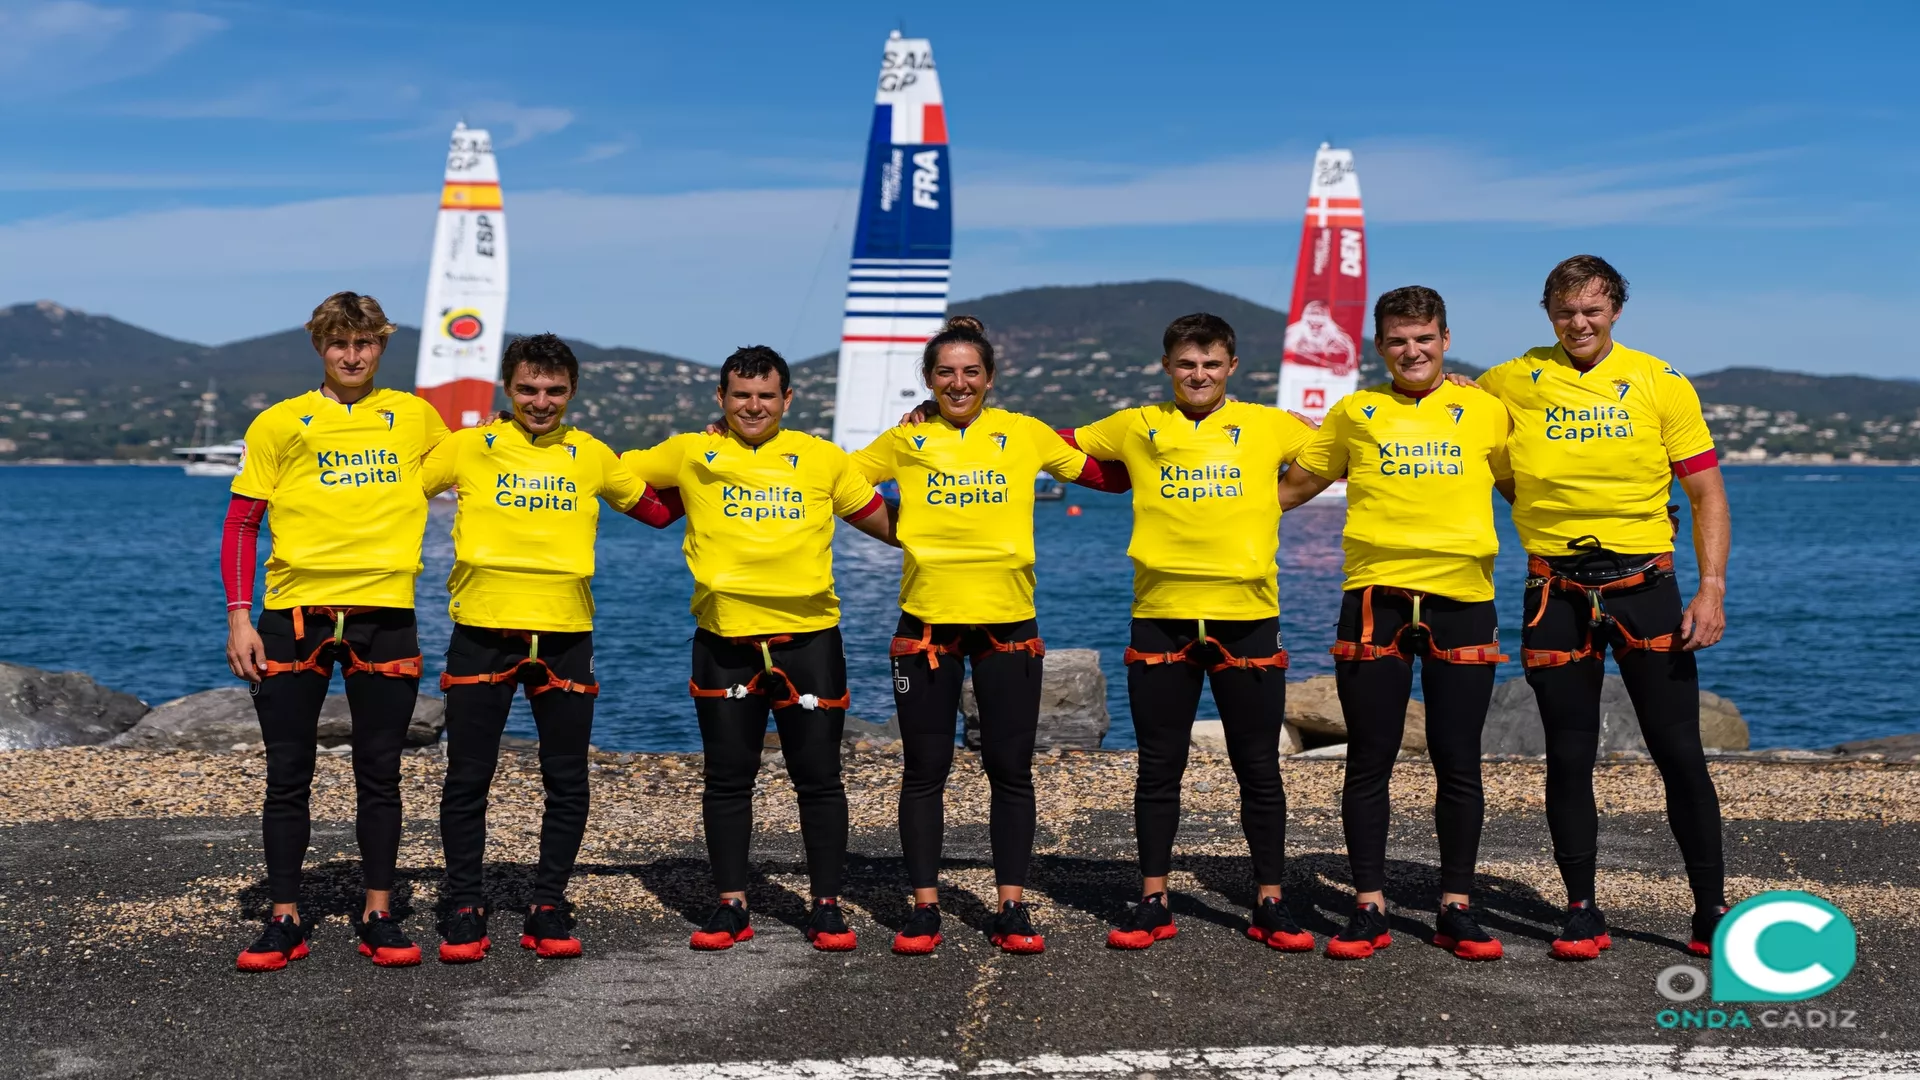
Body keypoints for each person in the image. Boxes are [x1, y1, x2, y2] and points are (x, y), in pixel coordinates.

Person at [1475, 255, 1731, 959]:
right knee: (1568, 756)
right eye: (1565, 311)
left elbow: (1706, 494)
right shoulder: (1509, 381)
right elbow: (1477, 440)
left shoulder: (1660, 381)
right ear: (1547, 312)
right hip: (1554, 590)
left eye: (1591, 310)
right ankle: (1582, 910)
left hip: (1647, 589)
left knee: (1679, 753)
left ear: (1615, 309)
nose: (1578, 323)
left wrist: (1711, 591)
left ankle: (1710, 909)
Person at [853, 315, 1122, 956]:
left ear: (990, 378)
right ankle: (924, 909)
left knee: (1010, 770)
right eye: (945, 372)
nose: (958, 382)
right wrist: (896, 530)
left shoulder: (1024, 434)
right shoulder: (904, 440)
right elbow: (834, 483)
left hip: (1008, 622)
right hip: (926, 623)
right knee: (925, 770)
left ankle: (1011, 906)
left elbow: (1107, 473)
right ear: (928, 379)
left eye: (971, 371)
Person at [623, 346, 898, 952]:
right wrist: (501, 435)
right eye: (742, 395)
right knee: (727, 779)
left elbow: (887, 524)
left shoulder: (821, 459)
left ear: (787, 400)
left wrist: (973, 509)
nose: (754, 406)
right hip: (724, 640)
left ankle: (825, 906)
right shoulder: (690, 451)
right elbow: (606, 474)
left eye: (766, 395)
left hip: (811, 640)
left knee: (820, 779)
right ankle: (731, 907)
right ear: (720, 399)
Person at [422, 334, 683, 963]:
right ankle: (463, 901)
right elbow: (392, 493)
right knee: (467, 777)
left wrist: (715, 459)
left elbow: (655, 512)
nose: (541, 401)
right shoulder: (469, 446)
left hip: (565, 634)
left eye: (555, 390)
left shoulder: (590, 454)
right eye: (529, 389)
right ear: (507, 390)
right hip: (482, 631)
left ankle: (547, 902)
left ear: (571, 392)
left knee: (565, 779)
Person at [1071, 313, 1317, 951]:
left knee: (1259, 766)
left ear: (1232, 366)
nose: (1199, 374)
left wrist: (1282, 497)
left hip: (1249, 617)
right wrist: (935, 416)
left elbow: (1339, 454)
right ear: (1167, 367)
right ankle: (1153, 898)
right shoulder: (1137, 424)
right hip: (1161, 615)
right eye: (1186, 364)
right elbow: (1047, 445)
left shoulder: (1270, 425)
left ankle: (1270, 901)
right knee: (1158, 767)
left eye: (1211, 364)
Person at [1279, 287, 1511, 961]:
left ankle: (1455, 908)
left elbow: (1529, 487)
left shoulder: (1486, 410)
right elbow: (1291, 488)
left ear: (1445, 339)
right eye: (1399, 340)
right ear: (1380, 347)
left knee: (1458, 761)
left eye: (1426, 338)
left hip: (1462, 597)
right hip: (1375, 598)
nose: (1413, 351)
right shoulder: (1357, 413)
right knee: (1369, 760)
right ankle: (1368, 906)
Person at [222, 291, 449, 971]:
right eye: (339, 343)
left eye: (365, 343)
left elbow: (487, 463)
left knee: (379, 772)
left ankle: (378, 913)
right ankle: (286, 917)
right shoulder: (280, 423)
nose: (353, 355)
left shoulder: (415, 418)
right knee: (287, 773)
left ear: (383, 345)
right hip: (292, 616)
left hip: (385, 615)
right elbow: (241, 525)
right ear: (319, 344)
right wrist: (239, 616)